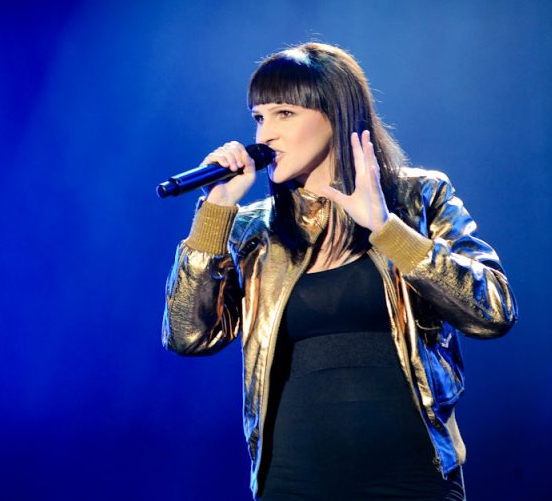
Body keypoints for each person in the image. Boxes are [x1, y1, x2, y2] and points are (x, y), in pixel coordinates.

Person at [162, 42, 517, 500]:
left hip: (411, 480)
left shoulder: (419, 199)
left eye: (284, 114)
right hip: (293, 484)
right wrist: (216, 211)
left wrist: (386, 229)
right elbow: (188, 337)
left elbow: (493, 312)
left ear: (336, 113)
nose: (265, 134)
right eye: (259, 117)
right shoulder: (254, 230)